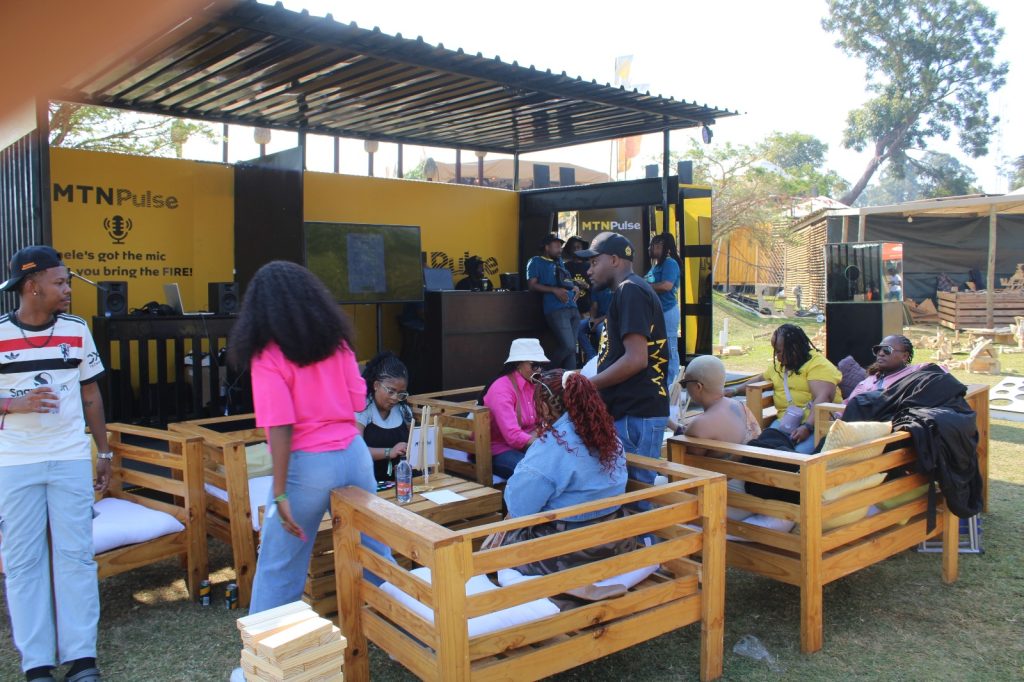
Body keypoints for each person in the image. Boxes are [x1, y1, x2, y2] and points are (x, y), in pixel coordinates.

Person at [228, 261, 392, 623]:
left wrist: (279, 491)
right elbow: (356, 399)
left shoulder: (268, 354)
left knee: (279, 566)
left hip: (306, 465)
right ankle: (413, 634)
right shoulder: (338, 343)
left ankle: (263, 654)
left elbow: (280, 424)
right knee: (376, 553)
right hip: (354, 456)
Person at [0, 246, 111, 682]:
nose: (68, 289)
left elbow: (91, 395)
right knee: (24, 563)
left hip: (69, 458)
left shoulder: (77, 330)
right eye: (60, 282)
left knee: (76, 557)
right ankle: (38, 665)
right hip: (15, 464)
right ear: (32, 286)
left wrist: (103, 452)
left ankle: (82, 660)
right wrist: (15, 403)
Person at [499, 369, 633, 589]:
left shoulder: (550, 447)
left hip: (570, 552)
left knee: (504, 539)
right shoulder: (608, 436)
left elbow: (520, 508)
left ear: (545, 407)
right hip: (616, 541)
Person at [577, 232, 669, 483]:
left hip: (636, 414)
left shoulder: (631, 291)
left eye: (594, 262)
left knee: (635, 495)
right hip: (632, 412)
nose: (589, 270)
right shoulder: (627, 291)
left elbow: (636, 359)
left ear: (615, 260)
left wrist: (587, 385)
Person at [725, 323, 841, 454]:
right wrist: (734, 391)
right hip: (785, 423)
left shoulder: (818, 365)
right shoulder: (780, 367)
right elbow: (759, 379)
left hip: (816, 426)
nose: (776, 356)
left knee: (797, 457)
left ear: (794, 348)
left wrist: (807, 427)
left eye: (779, 351)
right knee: (762, 449)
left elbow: (823, 397)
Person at [481, 339, 548, 479]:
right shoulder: (501, 389)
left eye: (541, 365)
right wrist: (544, 441)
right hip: (497, 449)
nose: (539, 369)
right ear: (518, 364)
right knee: (534, 473)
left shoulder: (534, 384)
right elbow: (513, 436)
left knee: (556, 464)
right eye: (534, 365)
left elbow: (543, 421)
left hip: (526, 443)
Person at [680, 355, 761, 447]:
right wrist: (672, 425)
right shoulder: (740, 406)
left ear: (698, 387)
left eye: (684, 383)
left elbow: (684, 454)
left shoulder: (699, 425)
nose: (685, 388)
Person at [356, 351, 413, 482]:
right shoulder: (363, 408)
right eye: (390, 391)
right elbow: (357, 451)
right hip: (369, 481)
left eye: (401, 393)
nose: (395, 398)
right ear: (376, 385)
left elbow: (414, 445)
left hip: (399, 481)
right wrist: (390, 452)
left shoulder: (403, 410)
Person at [526, 233, 580, 370]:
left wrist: (574, 286)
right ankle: (545, 373)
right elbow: (532, 285)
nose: (560, 249)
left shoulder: (559, 261)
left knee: (572, 351)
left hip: (573, 307)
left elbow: (564, 280)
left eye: (560, 246)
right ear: (547, 247)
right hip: (556, 309)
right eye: (556, 246)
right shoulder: (535, 261)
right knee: (569, 346)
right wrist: (554, 290)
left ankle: (570, 380)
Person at [845, 336, 941, 402]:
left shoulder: (917, 371)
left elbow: (942, 377)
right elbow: (847, 407)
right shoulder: (867, 382)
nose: (881, 353)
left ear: (904, 356)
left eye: (887, 350)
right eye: (878, 350)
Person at [647, 233, 682, 387]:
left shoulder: (670, 263)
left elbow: (667, 285)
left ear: (664, 247)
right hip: (657, 313)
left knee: (670, 348)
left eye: (655, 245)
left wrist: (645, 286)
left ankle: (672, 384)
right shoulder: (656, 265)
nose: (651, 248)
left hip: (668, 311)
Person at [577, 284, 612, 364]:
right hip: (598, 318)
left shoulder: (614, 287)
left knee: (600, 328)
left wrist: (597, 321)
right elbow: (594, 306)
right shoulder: (596, 287)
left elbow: (614, 312)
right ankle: (591, 355)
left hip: (611, 319)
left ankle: (604, 356)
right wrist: (592, 319)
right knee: (578, 326)